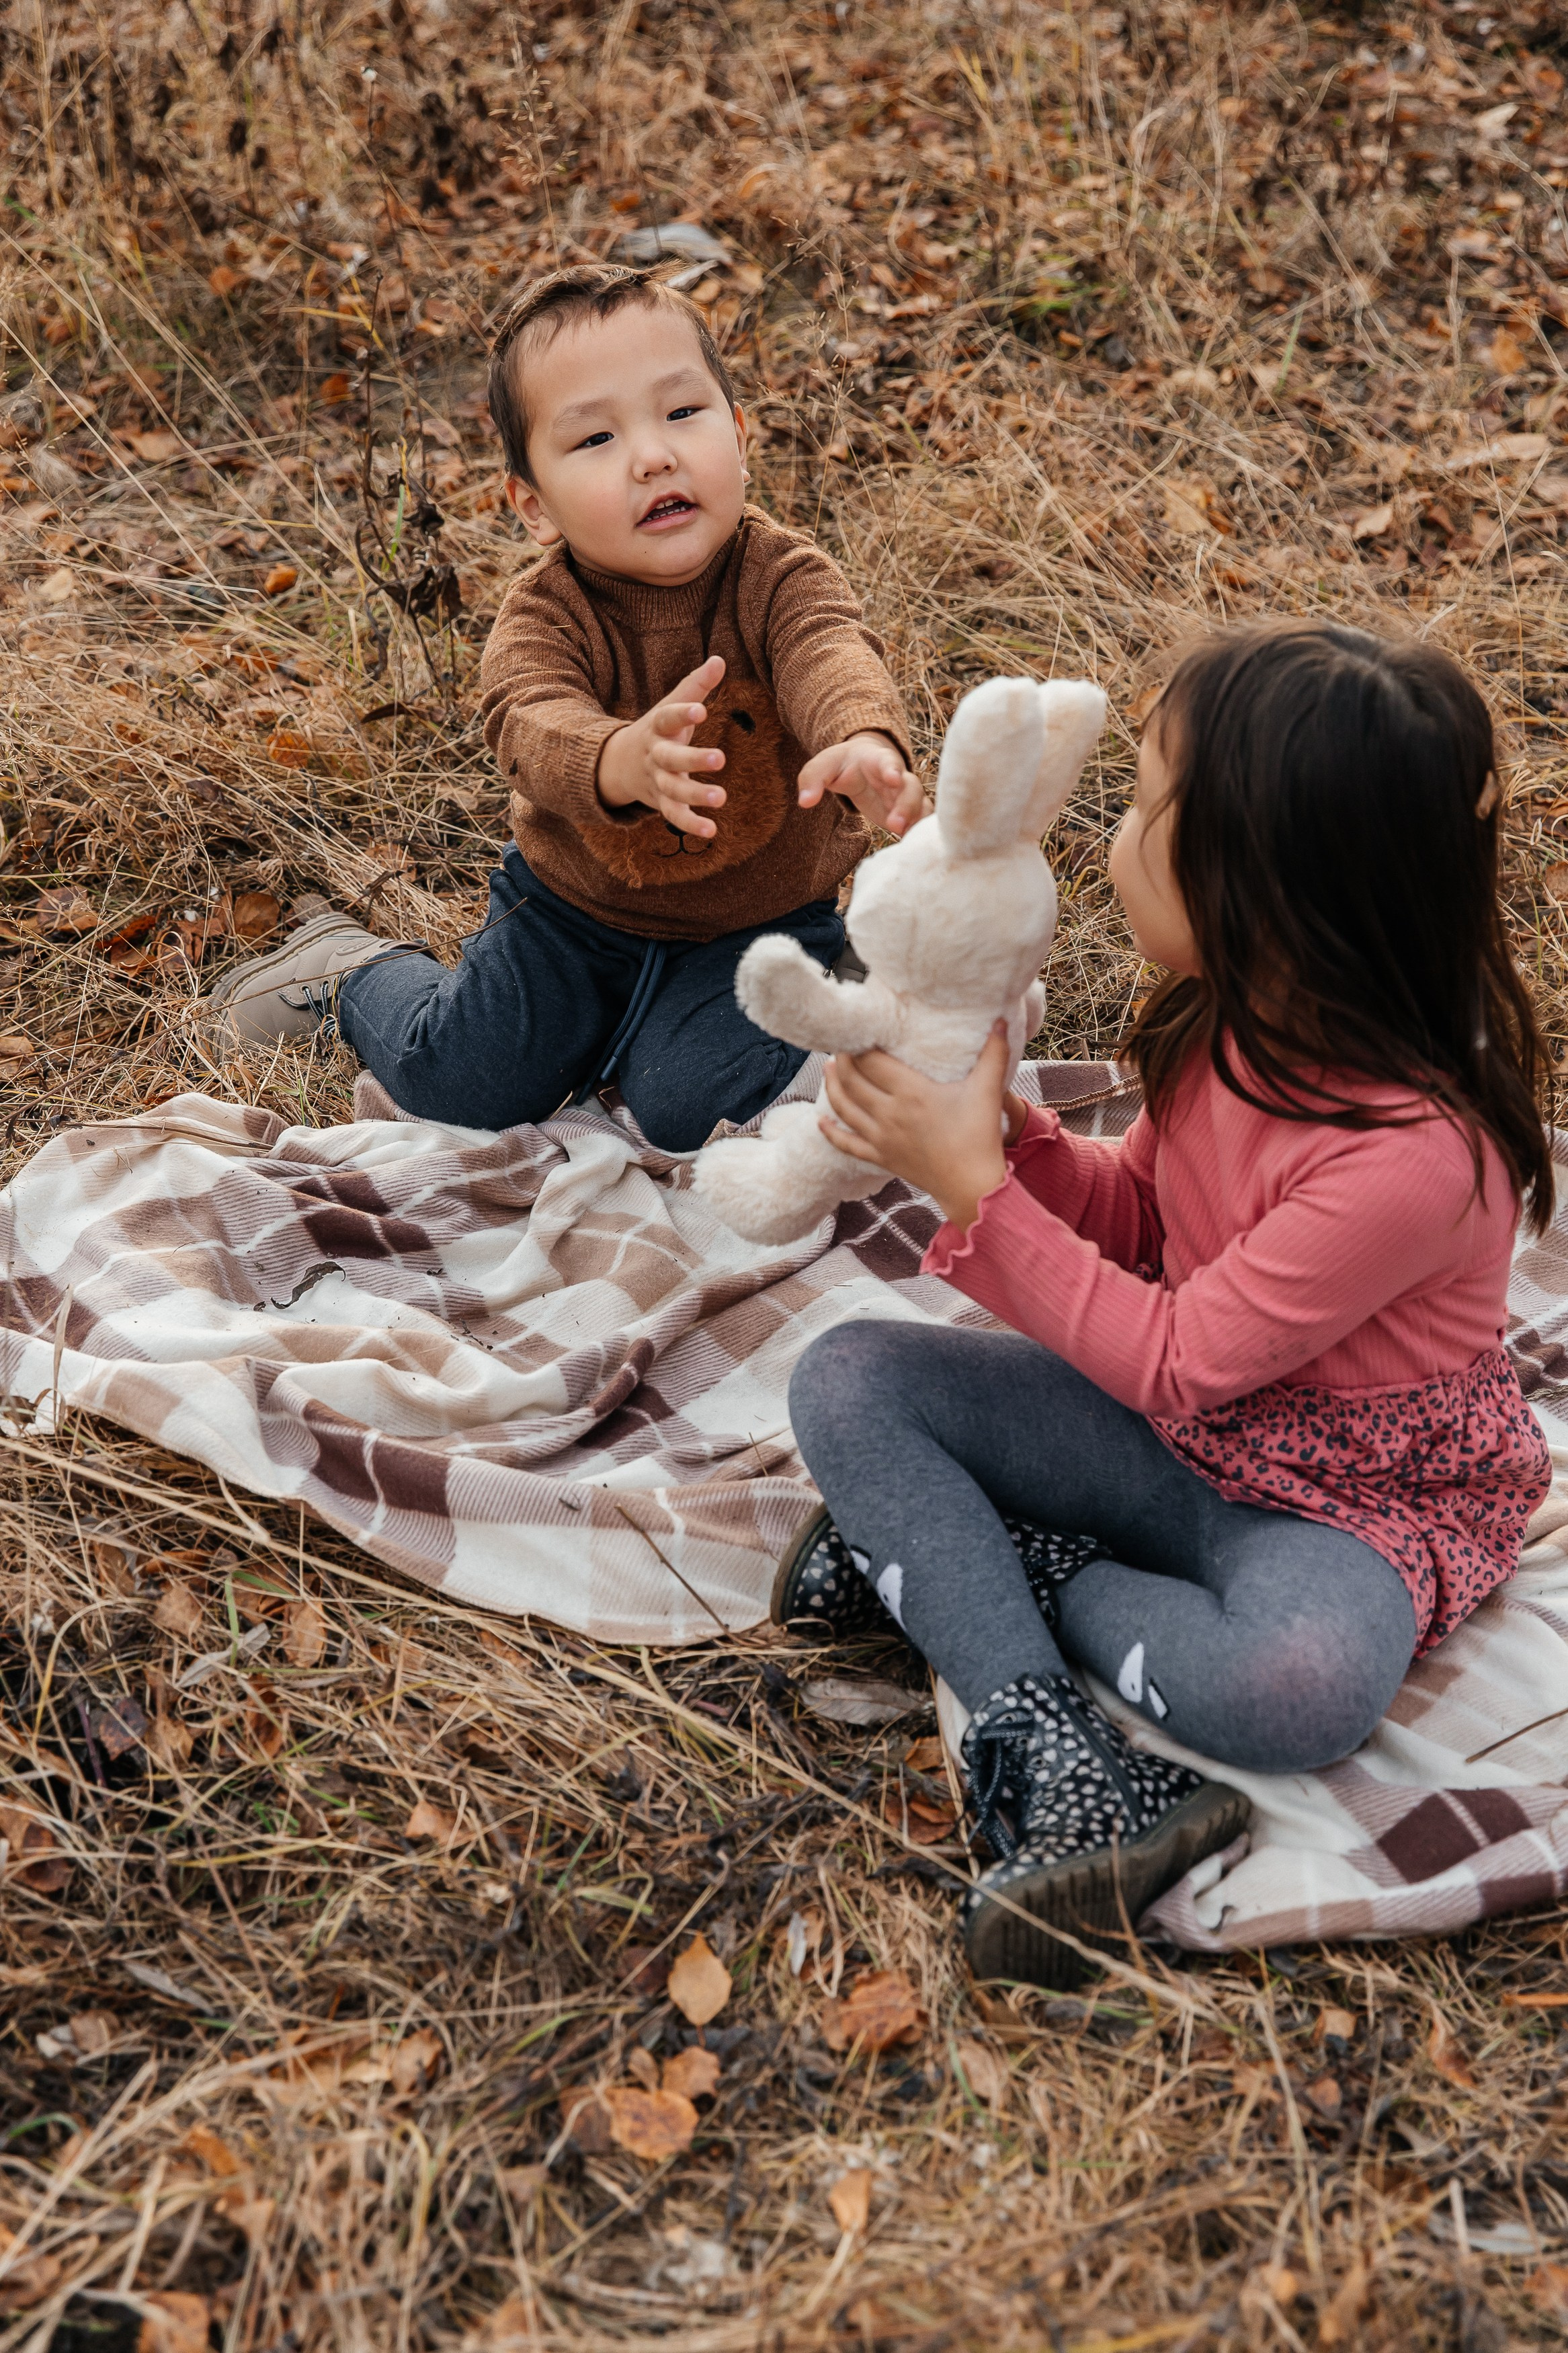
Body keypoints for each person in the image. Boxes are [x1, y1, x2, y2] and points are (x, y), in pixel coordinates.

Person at [780, 623, 1555, 1989]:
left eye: (1145, 807)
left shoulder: (1417, 1156)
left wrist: (975, 1195)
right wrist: (1013, 1144)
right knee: (848, 1380)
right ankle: (1056, 1751)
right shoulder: (1223, 1020)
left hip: (1343, 1500)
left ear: (1271, 887)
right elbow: (1143, 1220)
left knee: (1294, 1690)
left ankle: (1026, 1575)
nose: (1114, 835)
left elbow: (1182, 1356)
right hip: (1174, 1443)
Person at [208, 264, 920, 1149]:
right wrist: (617, 758)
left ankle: (857, 976)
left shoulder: (779, 576)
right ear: (534, 507)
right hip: (571, 913)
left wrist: (857, 736)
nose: (652, 454)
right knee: (462, 1084)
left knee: (688, 1107)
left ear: (739, 437)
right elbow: (527, 717)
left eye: (682, 413)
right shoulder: (548, 613)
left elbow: (827, 648)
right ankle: (347, 973)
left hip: (763, 917)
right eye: (594, 440)